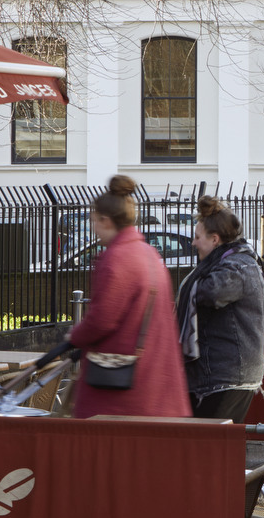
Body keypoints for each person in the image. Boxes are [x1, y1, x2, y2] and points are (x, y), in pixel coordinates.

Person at [68, 176, 190, 419]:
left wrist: (74, 336)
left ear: (105, 220)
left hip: (123, 388)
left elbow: (102, 319)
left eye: (93, 221)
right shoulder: (149, 254)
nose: (93, 228)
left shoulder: (117, 258)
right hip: (159, 382)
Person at [178, 195, 264, 421]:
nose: (193, 243)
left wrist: (192, 286)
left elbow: (212, 292)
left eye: (197, 237)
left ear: (215, 239)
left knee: (207, 448)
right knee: (215, 448)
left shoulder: (236, 266)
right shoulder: (240, 260)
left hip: (223, 377)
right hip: (228, 375)